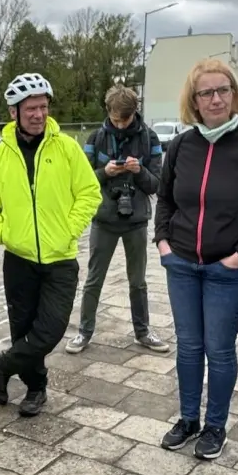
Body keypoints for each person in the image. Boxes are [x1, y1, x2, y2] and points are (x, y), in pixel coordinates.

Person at [153, 59, 238, 460]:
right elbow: (164, 198)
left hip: (228, 271)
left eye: (222, 90)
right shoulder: (182, 145)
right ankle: (188, 419)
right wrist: (163, 241)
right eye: (206, 92)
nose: (215, 99)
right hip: (181, 265)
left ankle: (215, 425)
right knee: (188, 347)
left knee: (218, 348)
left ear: (234, 94)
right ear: (193, 101)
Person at [0, 72, 100, 416]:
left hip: (60, 257)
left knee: (50, 330)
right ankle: (36, 389)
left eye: (43, 107)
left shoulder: (66, 147)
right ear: (14, 112)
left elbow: (90, 192)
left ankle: (1, 364)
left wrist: (69, 229)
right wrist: (3, 231)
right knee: (23, 328)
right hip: (18, 258)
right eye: (30, 108)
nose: (38, 114)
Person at [65, 84, 170, 355]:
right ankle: (84, 332)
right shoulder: (95, 138)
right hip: (104, 218)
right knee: (93, 279)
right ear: (108, 113)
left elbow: (155, 185)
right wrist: (105, 172)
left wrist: (139, 170)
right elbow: (81, 182)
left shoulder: (151, 139)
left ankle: (143, 332)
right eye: (115, 119)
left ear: (135, 113)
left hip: (136, 219)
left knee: (138, 281)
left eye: (125, 119)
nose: (120, 125)